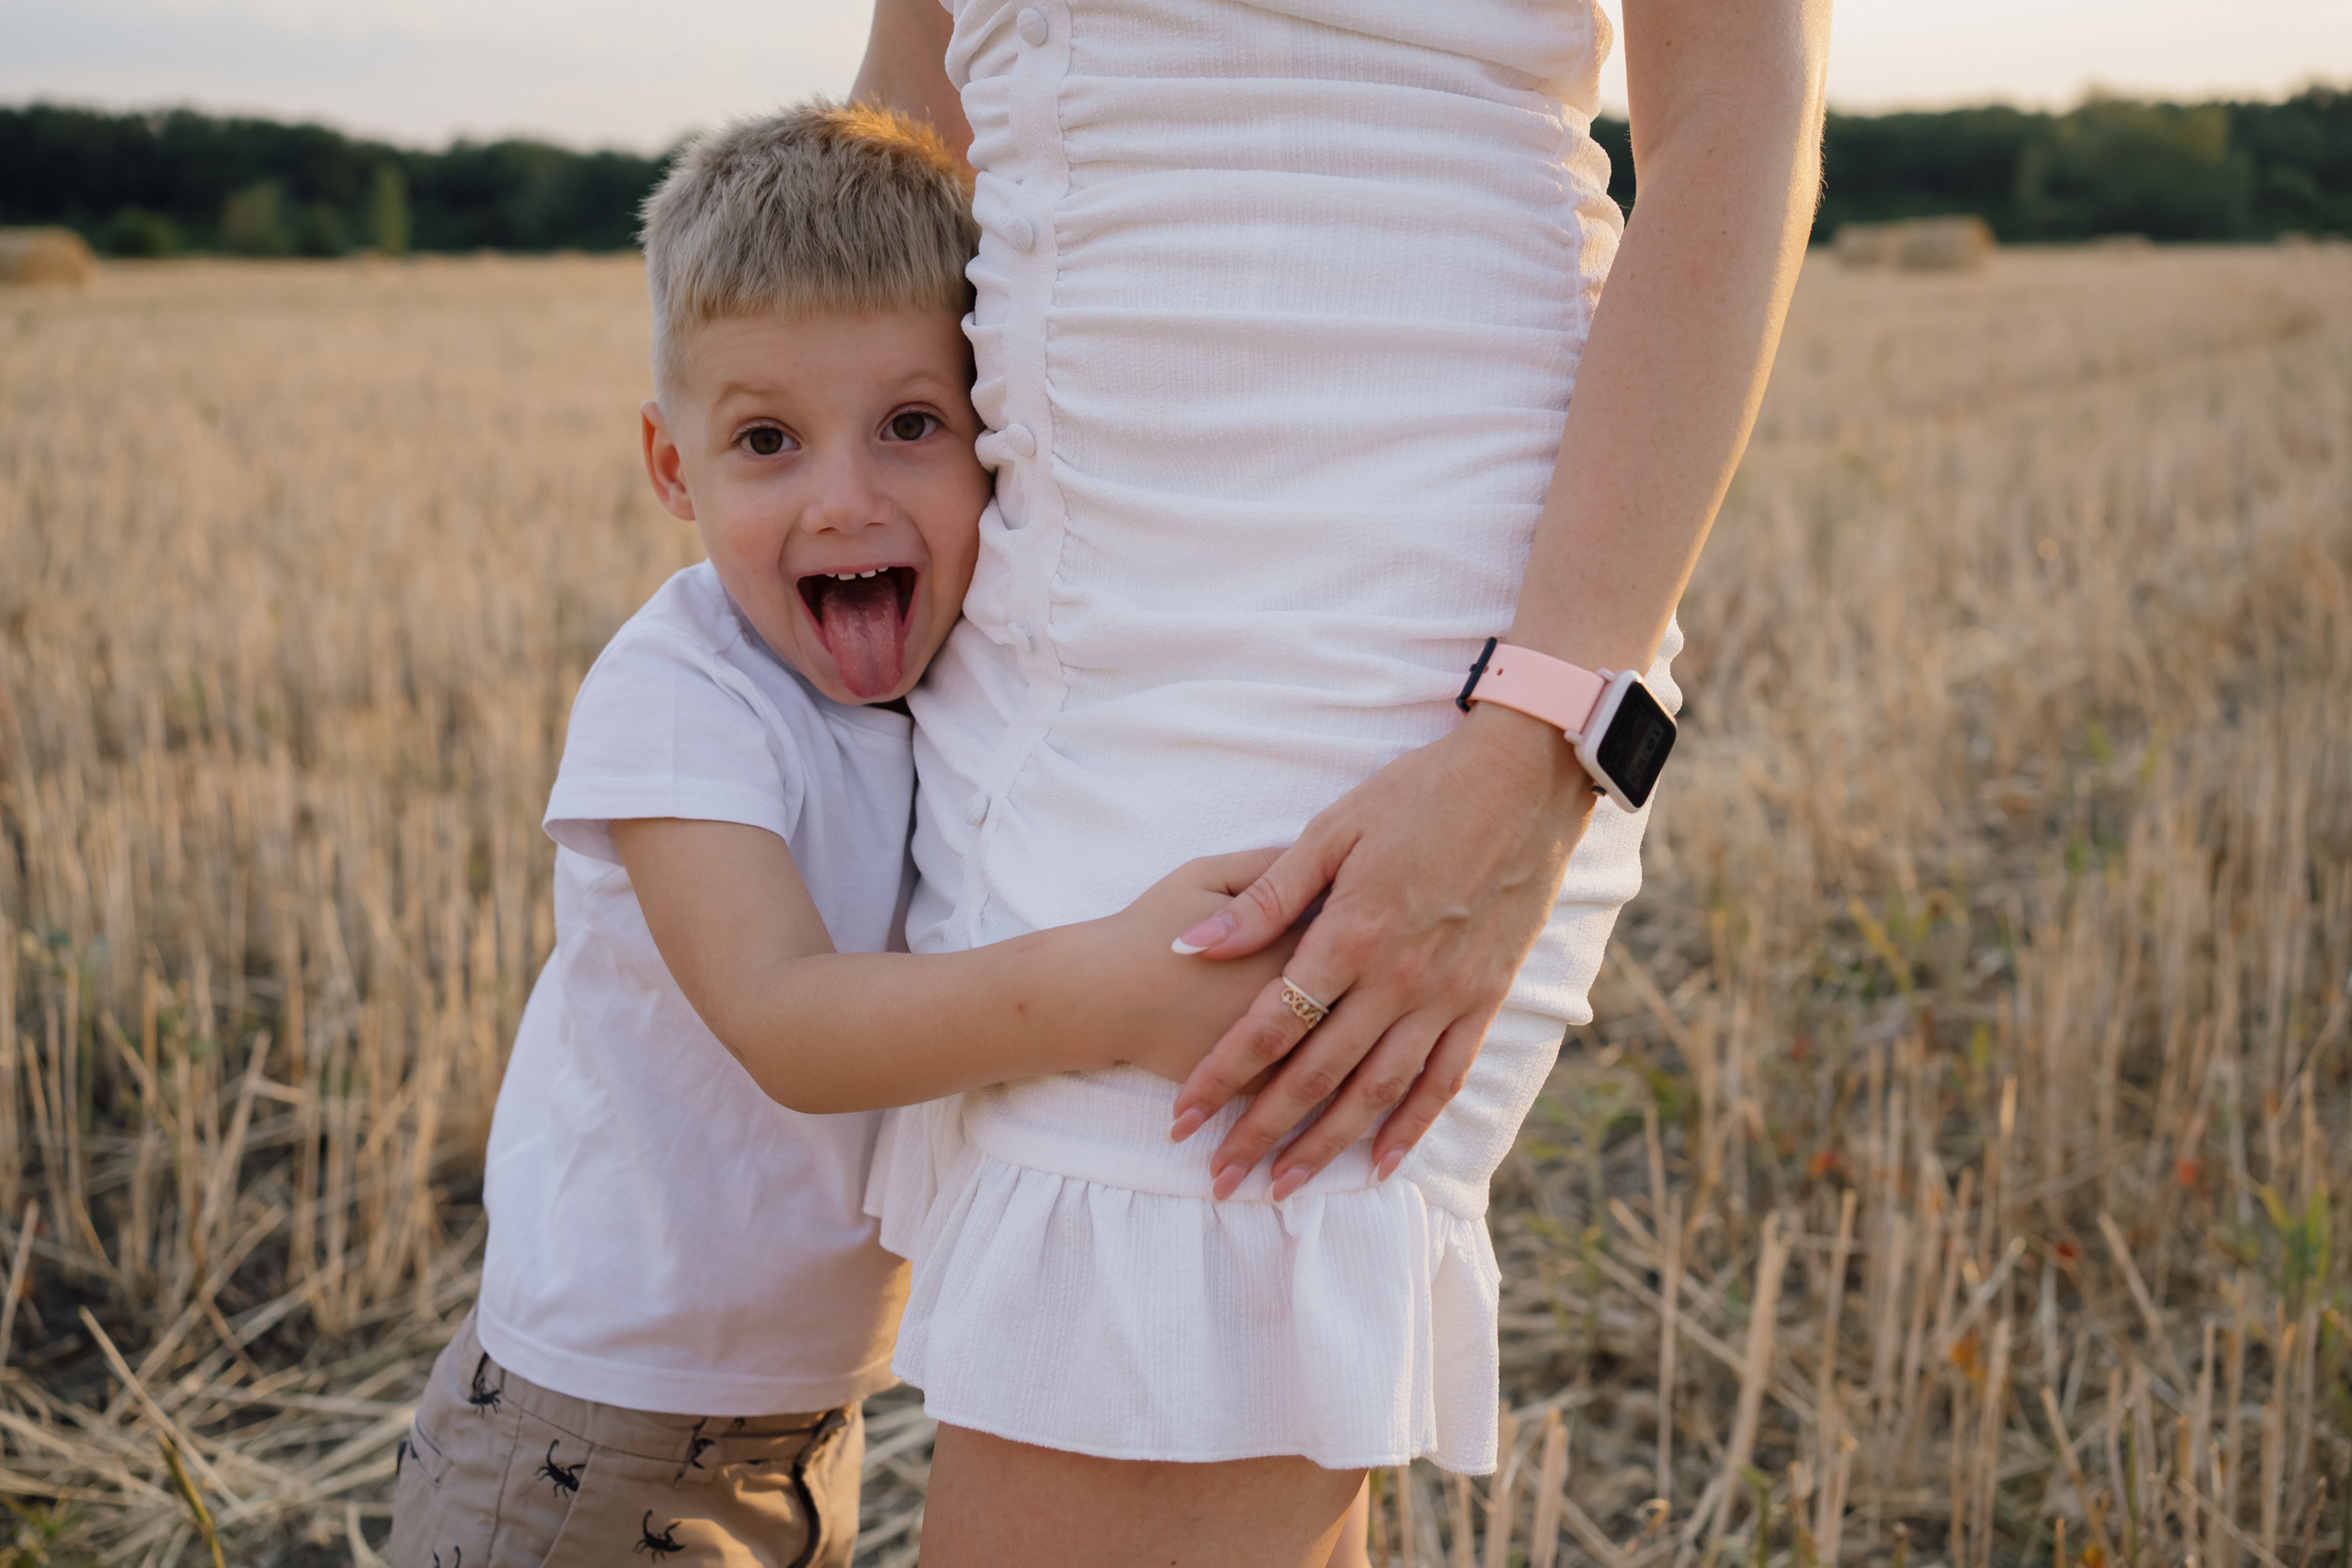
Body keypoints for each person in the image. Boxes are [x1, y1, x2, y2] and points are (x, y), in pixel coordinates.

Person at [849, 0, 1833, 1563]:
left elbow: (1736, 109)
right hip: (1009, 613)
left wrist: (1543, 738)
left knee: (1169, 1318)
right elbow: (917, 86)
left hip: (1375, 625)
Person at [389, 103, 1297, 1568]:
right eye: (766, 440)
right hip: (592, 1437)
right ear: (671, 468)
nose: (845, 497)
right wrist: (1122, 988)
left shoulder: (952, 684)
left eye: (912, 427)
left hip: (803, 1412)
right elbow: (789, 1022)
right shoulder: (681, 695)